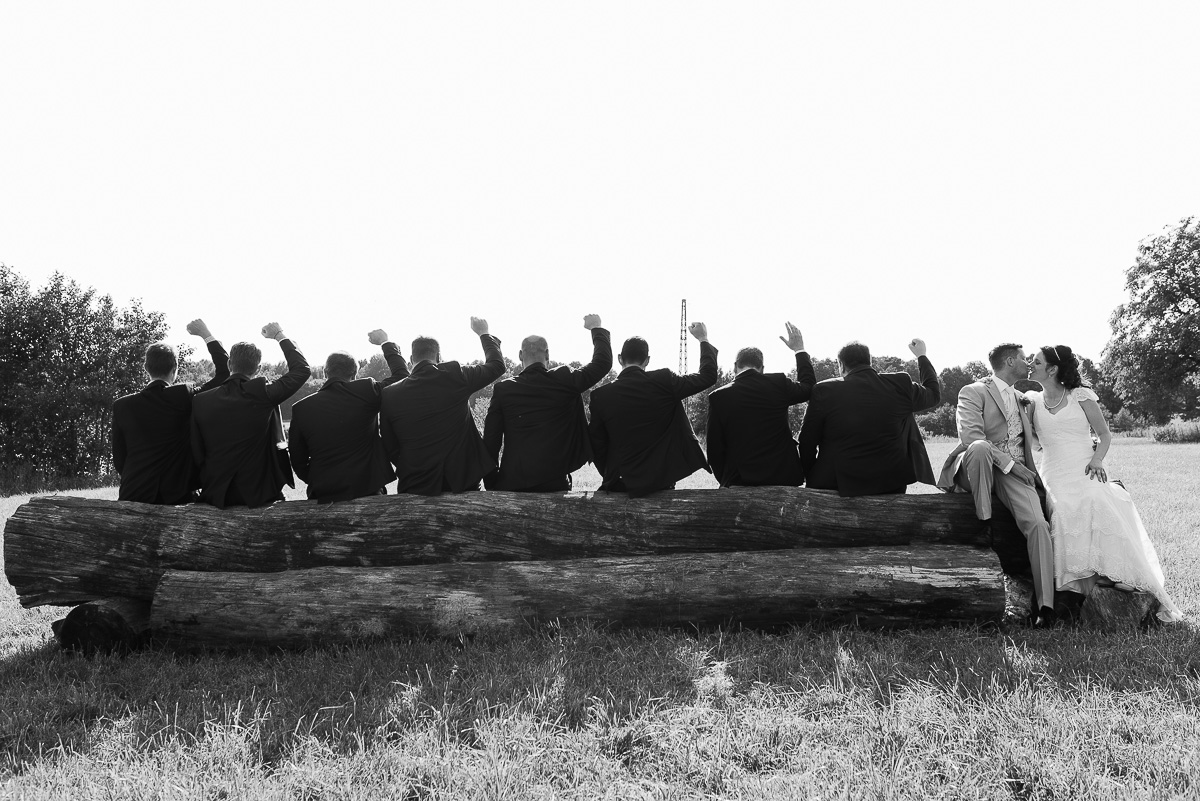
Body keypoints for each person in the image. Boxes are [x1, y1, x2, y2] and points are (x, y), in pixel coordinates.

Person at [1027, 345, 1182, 622]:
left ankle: (1113, 572)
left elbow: (1104, 434)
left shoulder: (1081, 396)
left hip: (1086, 466)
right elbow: (1034, 443)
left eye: (1036, 361)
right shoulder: (1032, 401)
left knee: (1096, 500)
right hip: (1054, 470)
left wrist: (1098, 460)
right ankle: (1072, 588)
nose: (1031, 364)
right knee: (1062, 512)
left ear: (1052, 369)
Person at [936, 343, 1058, 627]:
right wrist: (1010, 463)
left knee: (1039, 526)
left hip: (1016, 474)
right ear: (1011, 361)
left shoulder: (1023, 398)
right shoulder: (973, 391)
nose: (1029, 364)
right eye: (1025, 359)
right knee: (979, 447)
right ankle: (983, 521)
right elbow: (969, 438)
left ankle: (1045, 606)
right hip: (977, 467)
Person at [483, 314, 612, 492]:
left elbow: (491, 441)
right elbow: (602, 363)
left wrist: (492, 483)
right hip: (555, 482)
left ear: (520, 355)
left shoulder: (503, 390)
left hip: (513, 482)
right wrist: (596, 328)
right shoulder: (565, 379)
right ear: (548, 355)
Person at [587, 324, 718, 496]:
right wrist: (703, 339)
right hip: (661, 482)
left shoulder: (600, 396)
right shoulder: (664, 381)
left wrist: (610, 474)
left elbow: (598, 444)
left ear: (620, 359)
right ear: (647, 360)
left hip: (621, 482)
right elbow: (707, 377)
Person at [191, 322, 311, 508]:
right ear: (259, 368)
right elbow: (301, 370)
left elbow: (197, 451)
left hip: (216, 493)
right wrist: (279, 335)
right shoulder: (263, 393)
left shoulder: (200, 401)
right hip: (261, 492)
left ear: (230, 364)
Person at [798, 338, 940, 496]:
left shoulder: (824, 390)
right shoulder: (900, 384)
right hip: (890, 484)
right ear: (869, 362)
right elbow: (933, 394)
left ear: (841, 365)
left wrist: (812, 475)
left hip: (836, 484)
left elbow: (806, 441)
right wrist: (922, 356)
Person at [379, 317, 505, 495]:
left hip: (415, 484)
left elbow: (390, 446)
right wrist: (484, 333)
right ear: (438, 357)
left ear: (410, 359)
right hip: (463, 482)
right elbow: (496, 366)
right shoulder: (455, 374)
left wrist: (414, 467)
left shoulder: (389, 394)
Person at [111, 319, 229, 504]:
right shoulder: (184, 396)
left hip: (134, 493)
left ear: (146, 368)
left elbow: (120, 459)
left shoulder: (122, 405)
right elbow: (225, 374)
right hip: (177, 494)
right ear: (175, 369)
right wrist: (206, 335)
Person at [287, 329, 410, 502]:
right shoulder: (366, 391)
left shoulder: (301, 408)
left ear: (324, 372)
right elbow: (402, 377)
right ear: (354, 374)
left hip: (323, 494)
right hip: (368, 489)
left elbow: (297, 459)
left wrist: (318, 478)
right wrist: (385, 343)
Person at [705, 322, 815, 487]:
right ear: (762, 368)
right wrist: (799, 350)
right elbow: (808, 388)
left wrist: (726, 479)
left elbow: (714, 449)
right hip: (783, 478)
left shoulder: (718, 397)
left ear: (735, 367)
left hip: (738, 479)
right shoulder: (778, 384)